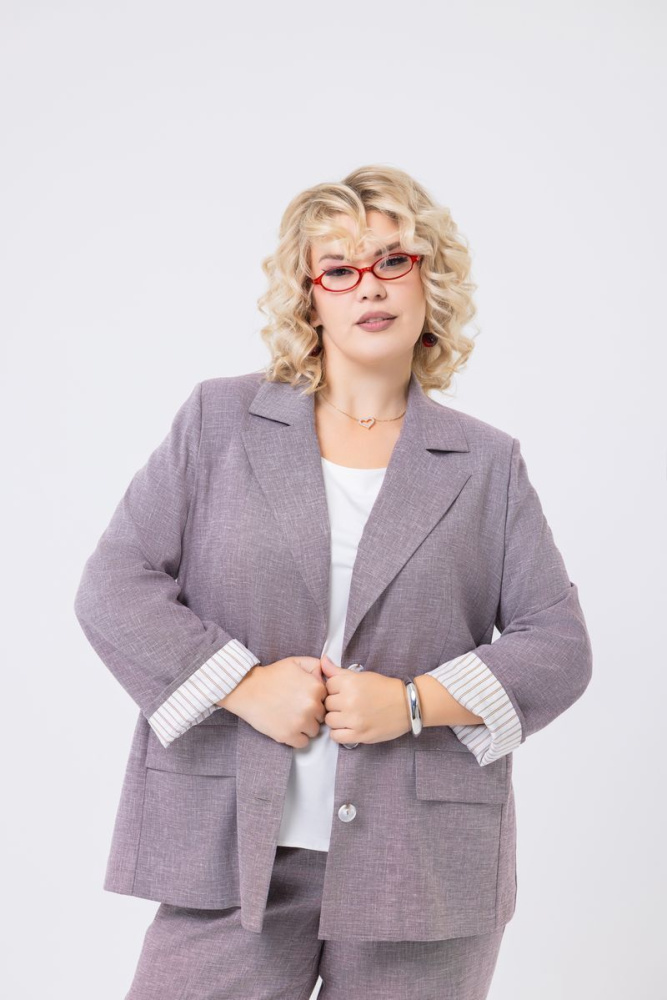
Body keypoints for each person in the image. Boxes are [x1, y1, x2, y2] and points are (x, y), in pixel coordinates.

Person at [73, 164, 593, 1000]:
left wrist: (412, 702)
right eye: (339, 269)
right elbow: (113, 587)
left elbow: (557, 646)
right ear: (309, 296)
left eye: (392, 260)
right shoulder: (219, 422)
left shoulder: (486, 463)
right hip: (229, 848)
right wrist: (244, 684)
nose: (369, 287)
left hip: (420, 870)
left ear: (428, 278)